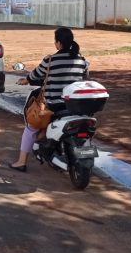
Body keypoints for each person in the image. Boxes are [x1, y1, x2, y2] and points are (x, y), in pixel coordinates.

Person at [8, 27, 88, 172]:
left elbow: (35, 76)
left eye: (55, 41)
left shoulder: (50, 60)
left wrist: (25, 80)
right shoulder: (82, 60)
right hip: (75, 105)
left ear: (58, 43)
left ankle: (21, 162)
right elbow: (85, 77)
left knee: (31, 127)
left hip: (53, 105)